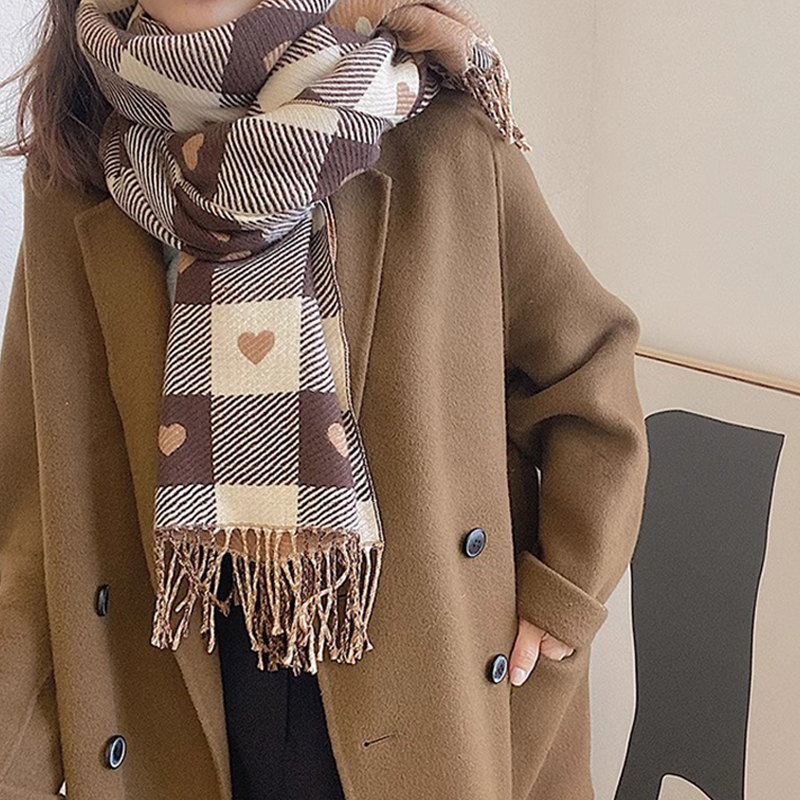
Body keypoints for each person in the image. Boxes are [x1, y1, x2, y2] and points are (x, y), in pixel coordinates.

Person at [0, 1, 650, 798]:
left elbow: (589, 371)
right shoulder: (75, 173)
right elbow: (31, 518)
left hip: (426, 697)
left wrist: (564, 599)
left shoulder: (441, 136)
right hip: (175, 694)